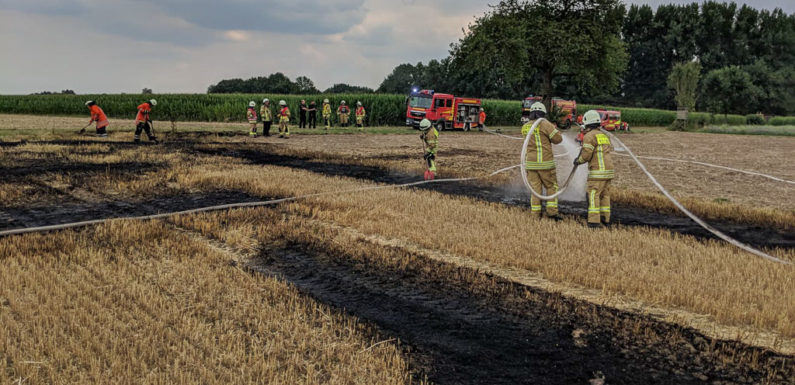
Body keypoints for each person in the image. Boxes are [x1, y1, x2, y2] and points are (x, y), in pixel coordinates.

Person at [521, 102, 563, 219]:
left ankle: (535, 214)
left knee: (535, 190)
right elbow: (558, 139)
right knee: (551, 187)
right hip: (545, 164)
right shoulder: (545, 124)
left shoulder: (525, 127)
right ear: (543, 113)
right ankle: (552, 213)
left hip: (531, 164)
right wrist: (554, 129)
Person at [574, 110, 615, 228]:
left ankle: (593, 221)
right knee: (605, 195)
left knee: (593, 194)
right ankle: (605, 218)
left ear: (587, 123)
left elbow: (586, 155)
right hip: (608, 171)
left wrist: (578, 161)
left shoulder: (589, 136)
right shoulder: (604, 135)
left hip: (598, 171)